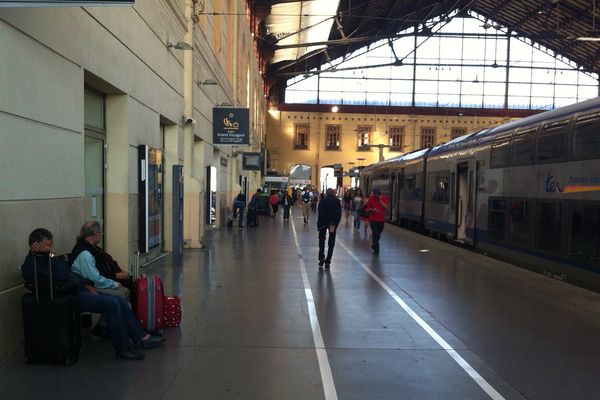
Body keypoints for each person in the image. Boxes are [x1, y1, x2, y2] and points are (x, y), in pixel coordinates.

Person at [21, 228, 164, 361]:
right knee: (112, 304)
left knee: (119, 300)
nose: (50, 249)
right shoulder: (32, 265)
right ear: (35, 246)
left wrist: (86, 284)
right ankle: (123, 348)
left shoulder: (48, 258)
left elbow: (70, 275)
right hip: (67, 297)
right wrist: (50, 256)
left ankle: (141, 338)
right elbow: (65, 276)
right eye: (47, 247)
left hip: (78, 289)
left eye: (51, 246)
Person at [70, 221, 130, 300]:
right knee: (121, 295)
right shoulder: (85, 253)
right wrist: (115, 284)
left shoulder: (93, 248)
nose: (102, 234)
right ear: (94, 234)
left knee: (127, 287)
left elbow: (108, 261)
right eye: (100, 232)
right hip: (89, 287)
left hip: (103, 280)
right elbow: (94, 279)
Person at [317, 188, 342, 269]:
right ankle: (328, 261)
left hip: (323, 224)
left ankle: (321, 258)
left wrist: (322, 224)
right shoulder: (337, 201)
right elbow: (339, 214)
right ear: (333, 193)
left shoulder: (322, 202)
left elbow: (320, 213)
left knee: (322, 241)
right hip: (333, 224)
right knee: (331, 242)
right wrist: (334, 224)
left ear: (326, 194)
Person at [364, 188, 389, 255]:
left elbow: (386, 207)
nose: (376, 195)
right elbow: (367, 208)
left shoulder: (383, 197)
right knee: (375, 233)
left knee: (378, 233)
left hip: (381, 219)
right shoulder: (371, 198)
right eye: (375, 194)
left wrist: (380, 200)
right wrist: (372, 210)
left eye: (377, 194)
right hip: (373, 219)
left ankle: (374, 245)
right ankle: (377, 250)